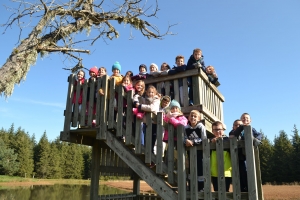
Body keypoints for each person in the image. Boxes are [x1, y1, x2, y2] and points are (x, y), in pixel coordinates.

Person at [229, 113, 262, 192]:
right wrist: (241, 127)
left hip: (248, 155)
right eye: (243, 118)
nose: (245, 120)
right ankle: (242, 189)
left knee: (249, 172)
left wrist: (257, 139)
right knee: (240, 173)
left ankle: (248, 188)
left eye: (247, 118)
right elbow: (234, 135)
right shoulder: (236, 130)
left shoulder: (251, 129)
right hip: (238, 155)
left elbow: (259, 134)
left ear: (250, 121)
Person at [184, 110, 207, 191]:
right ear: (189, 117)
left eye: (195, 116)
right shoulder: (186, 128)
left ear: (199, 118)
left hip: (200, 152)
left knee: (200, 169)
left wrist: (193, 142)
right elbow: (184, 138)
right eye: (191, 116)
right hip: (190, 152)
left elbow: (204, 139)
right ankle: (191, 187)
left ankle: (201, 188)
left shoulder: (201, 127)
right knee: (191, 169)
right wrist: (186, 141)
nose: (193, 117)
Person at [136, 85, 160, 157]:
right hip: (146, 121)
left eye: (152, 92)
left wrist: (141, 106)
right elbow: (137, 98)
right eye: (149, 92)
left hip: (154, 122)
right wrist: (136, 102)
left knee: (153, 138)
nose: (151, 94)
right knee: (146, 137)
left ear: (155, 93)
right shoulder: (144, 99)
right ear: (146, 92)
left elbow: (152, 108)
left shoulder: (156, 99)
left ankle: (151, 154)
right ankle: (146, 151)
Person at [210, 121, 232, 193]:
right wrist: (211, 142)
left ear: (223, 130)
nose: (217, 131)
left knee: (226, 191)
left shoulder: (227, 140)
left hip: (226, 171)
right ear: (212, 131)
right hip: (214, 172)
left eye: (219, 129)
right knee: (216, 191)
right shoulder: (210, 142)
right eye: (215, 130)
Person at [132, 80, 146, 144]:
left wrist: (137, 104)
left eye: (141, 86)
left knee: (141, 129)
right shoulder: (134, 93)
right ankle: (137, 143)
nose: (139, 86)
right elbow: (135, 100)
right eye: (138, 85)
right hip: (136, 113)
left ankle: (142, 144)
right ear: (135, 85)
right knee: (137, 128)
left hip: (142, 113)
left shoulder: (143, 94)